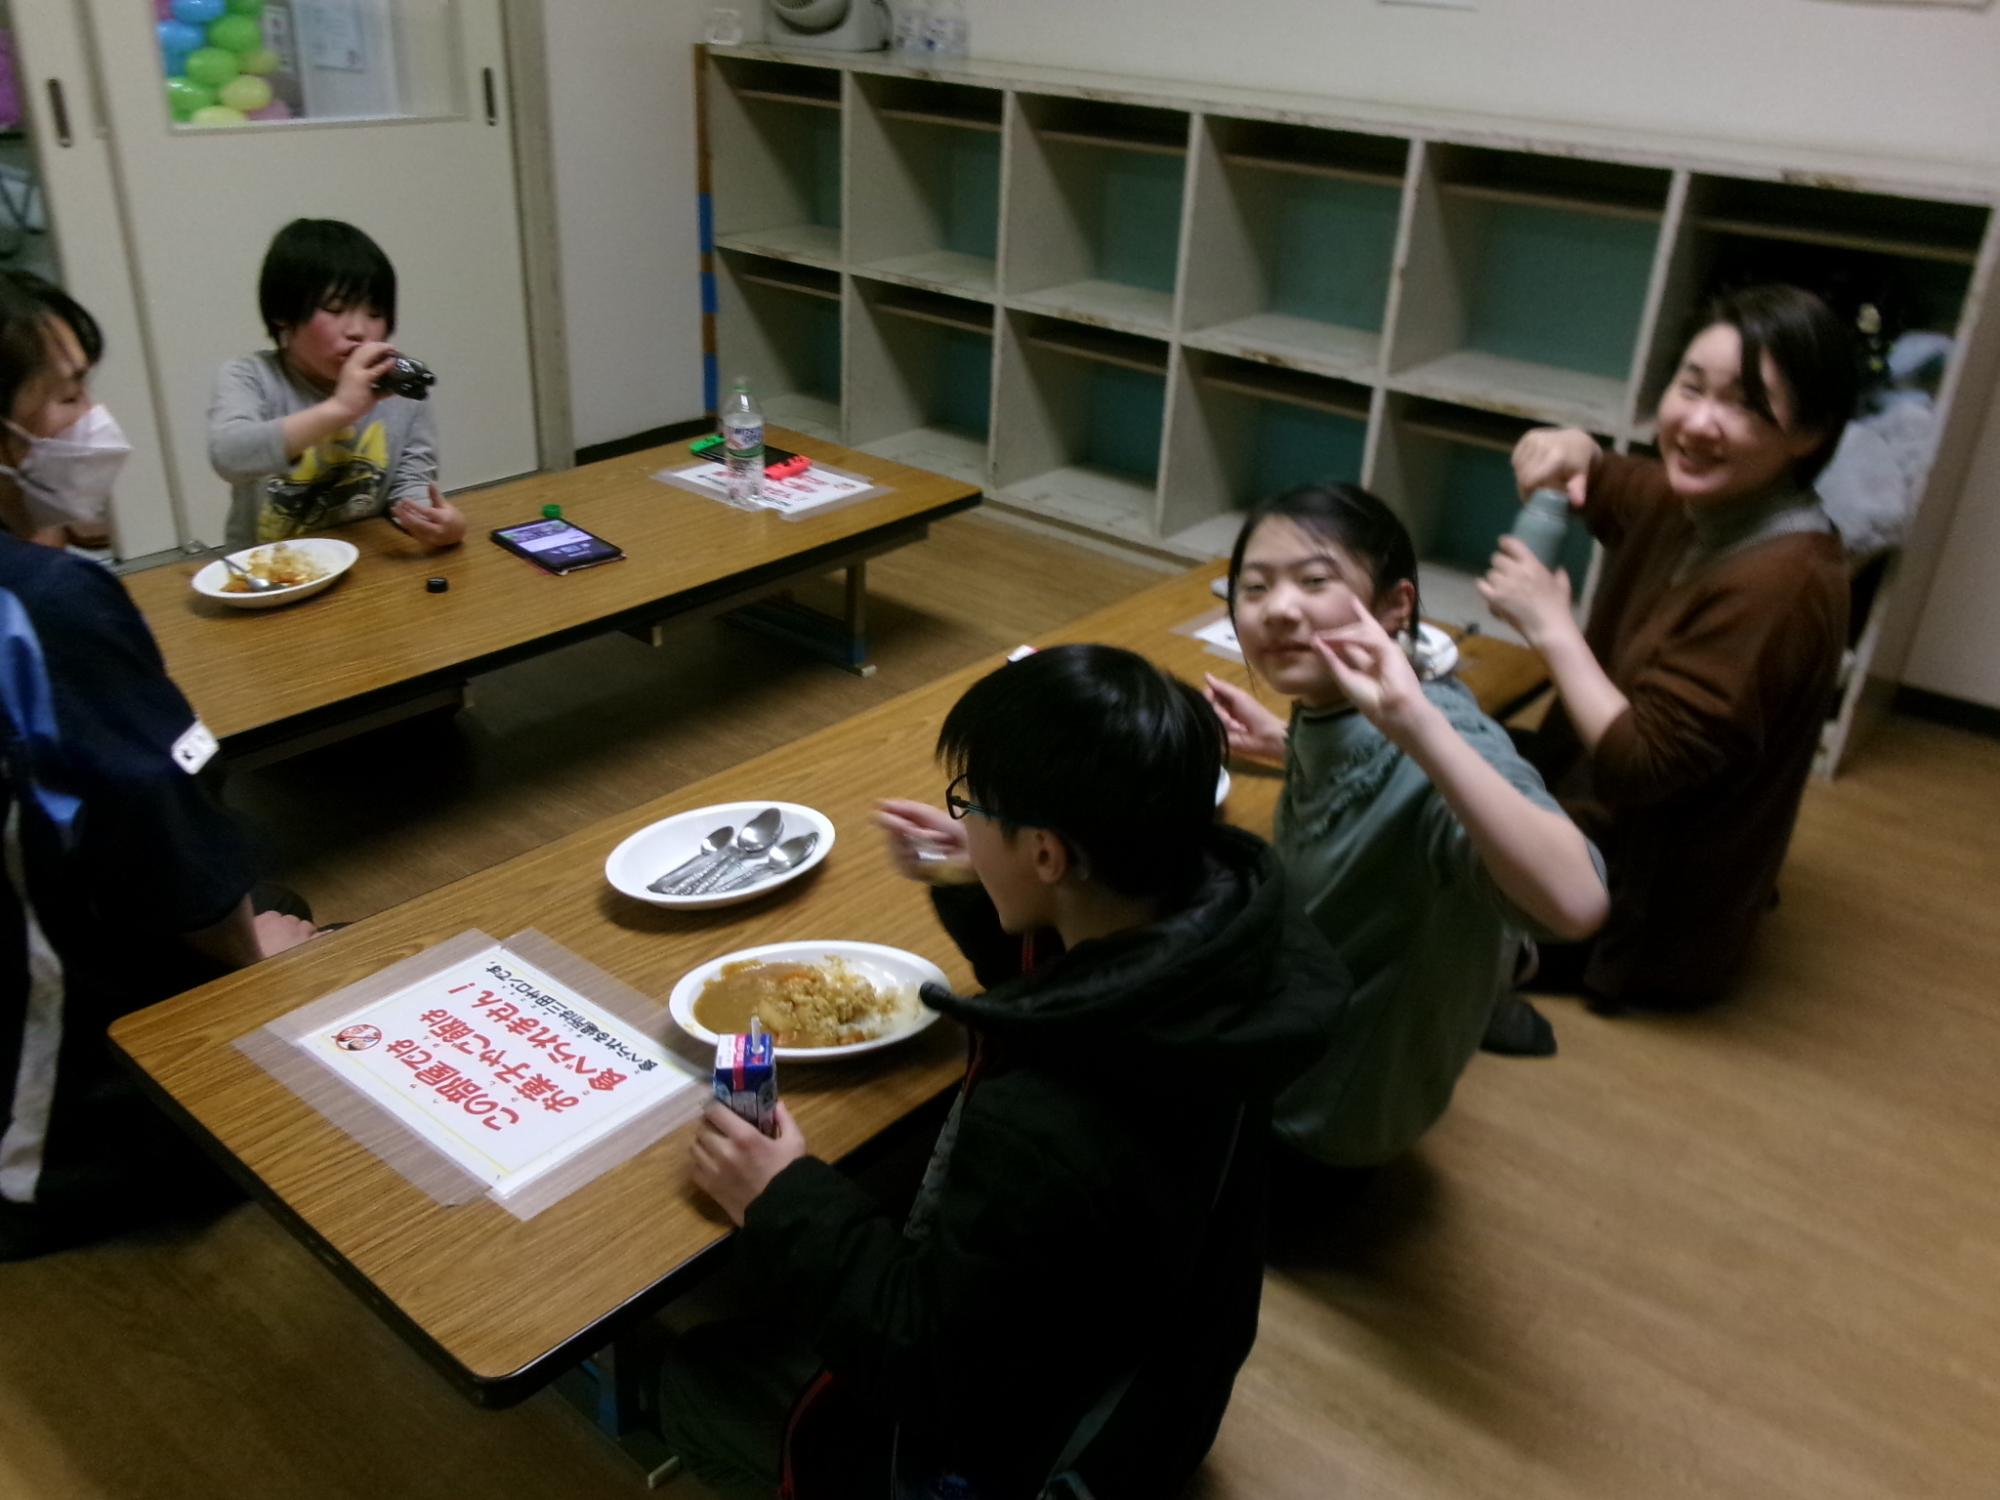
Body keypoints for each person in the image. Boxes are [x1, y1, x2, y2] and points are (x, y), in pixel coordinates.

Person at [660, 644, 1346, 1499]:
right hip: (1163, 1390)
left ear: (1053, 855)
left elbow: (919, 1358)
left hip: (1035, 1458)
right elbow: (1082, 987)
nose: (965, 823)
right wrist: (989, 870)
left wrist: (784, 1194)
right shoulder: (1227, 961)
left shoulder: (1047, 1124)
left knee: (690, 1372)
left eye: (975, 809)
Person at [0, 271, 316, 1260]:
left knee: (264, 884)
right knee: (290, 925)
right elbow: (166, 837)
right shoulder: (49, 606)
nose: (96, 422)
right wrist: (251, 955)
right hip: (48, 1128)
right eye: (66, 397)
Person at [1202, 484, 1606, 1172]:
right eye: (1254, 586)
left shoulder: (1432, 732)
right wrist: (1282, 741)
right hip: (1312, 1036)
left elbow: (1579, 900)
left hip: (1321, 1122)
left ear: (1396, 606)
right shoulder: (1339, 699)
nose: (1278, 608)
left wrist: (1419, 727)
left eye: (1314, 580)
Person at [1478, 284, 1854, 1012]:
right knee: (1444, 745)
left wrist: (1551, 625)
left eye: (1746, 404)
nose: (1699, 422)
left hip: (1644, 904)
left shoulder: (1781, 584)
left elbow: (1643, 765)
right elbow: (1620, 484)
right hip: (1595, 808)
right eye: (1691, 387)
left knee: (1400, 883)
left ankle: (1508, 961)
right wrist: (1576, 445)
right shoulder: (1717, 500)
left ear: (1808, 433)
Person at [208, 218, 465, 551]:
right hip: (265, 575)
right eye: (335, 308)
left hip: (362, 574)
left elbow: (410, 486)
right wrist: (341, 409)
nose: (358, 330)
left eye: (374, 313)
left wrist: (439, 525)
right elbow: (229, 457)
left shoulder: (396, 383)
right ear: (282, 315)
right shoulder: (251, 376)